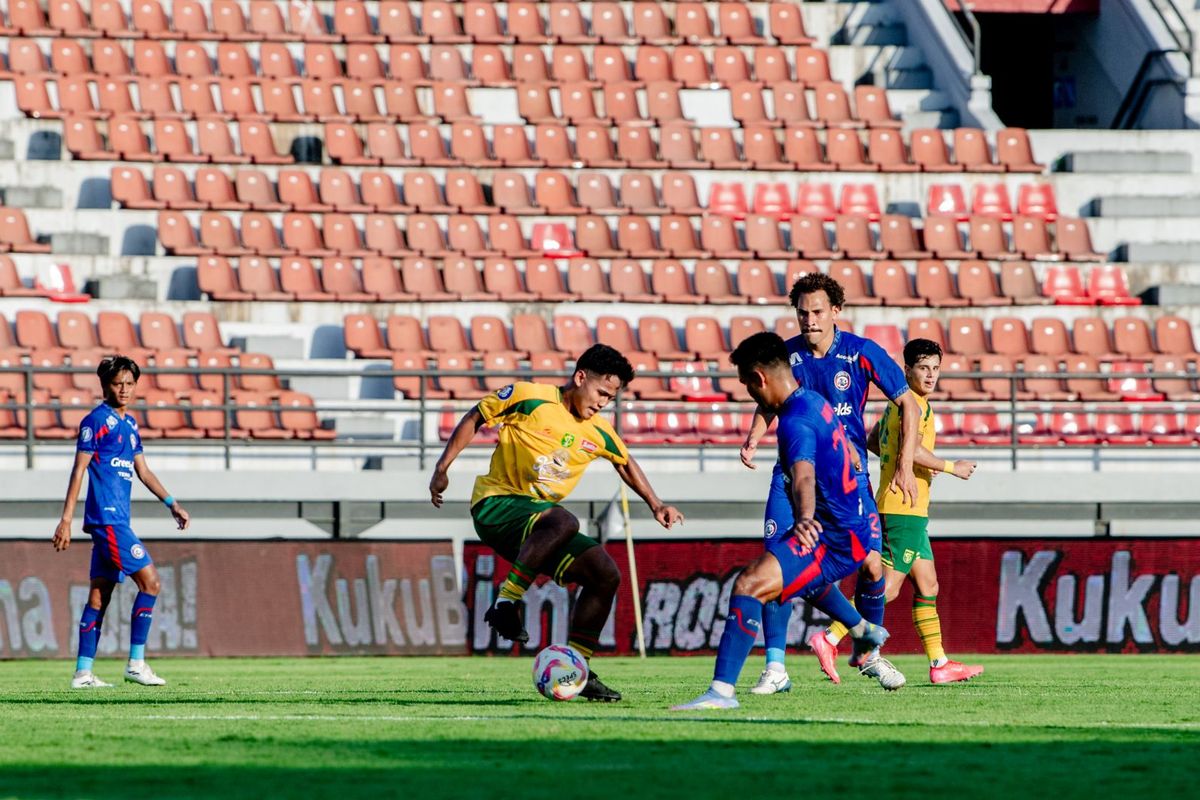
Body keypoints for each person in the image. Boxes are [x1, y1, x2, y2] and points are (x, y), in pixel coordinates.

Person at [430, 344, 684, 702]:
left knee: (605, 574)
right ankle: (507, 602)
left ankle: (578, 669)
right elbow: (476, 416)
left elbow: (624, 462)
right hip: (496, 506)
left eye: (611, 398)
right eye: (600, 392)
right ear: (580, 377)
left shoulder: (598, 431)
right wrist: (442, 469)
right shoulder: (528, 396)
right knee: (564, 518)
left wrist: (656, 504)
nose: (603, 402)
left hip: (539, 529)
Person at [673, 332, 889, 710]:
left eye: (746, 385)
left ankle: (721, 693)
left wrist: (804, 518)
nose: (750, 395)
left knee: (750, 584)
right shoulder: (815, 400)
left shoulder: (793, 421)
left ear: (759, 378)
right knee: (790, 581)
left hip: (832, 535)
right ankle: (861, 629)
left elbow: (803, 473)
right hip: (851, 526)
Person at [742, 273, 920, 693]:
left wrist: (905, 464)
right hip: (792, 473)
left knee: (873, 565)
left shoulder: (861, 353)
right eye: (802, 313)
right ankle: (775, 668)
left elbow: (908, 405)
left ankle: (870, 651)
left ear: (836, 311)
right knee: (776, 561)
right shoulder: (787, 357)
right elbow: (768, 401)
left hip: (846, 478)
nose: (809, 320)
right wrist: (754, 436)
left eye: (818, 311)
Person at [824, 339, 984, 684]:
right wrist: (950, 466)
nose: (930, 375)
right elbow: (913, 451)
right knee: (888, 585)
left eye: (935, 369)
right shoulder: (914, 406)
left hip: (901, 505)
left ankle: (939, 664)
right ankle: (831, 636)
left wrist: (892, 454)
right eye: (923, 368)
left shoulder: (895, 407)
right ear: (906, 370)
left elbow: (873, 441)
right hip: (904, 508)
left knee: (929, 583)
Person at [52, 355, 190, 688]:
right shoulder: (95, 421)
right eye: (118, 383)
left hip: (116, 520)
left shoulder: (130, 425)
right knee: (151, 583)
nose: (124, 389)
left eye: (129, 383)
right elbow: (78, 470)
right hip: (108, 520)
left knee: (99, 597)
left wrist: (171, 503)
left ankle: (83, 673)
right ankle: (136, 663)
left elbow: (143, 471)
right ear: (105, 385)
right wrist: (66, 519)